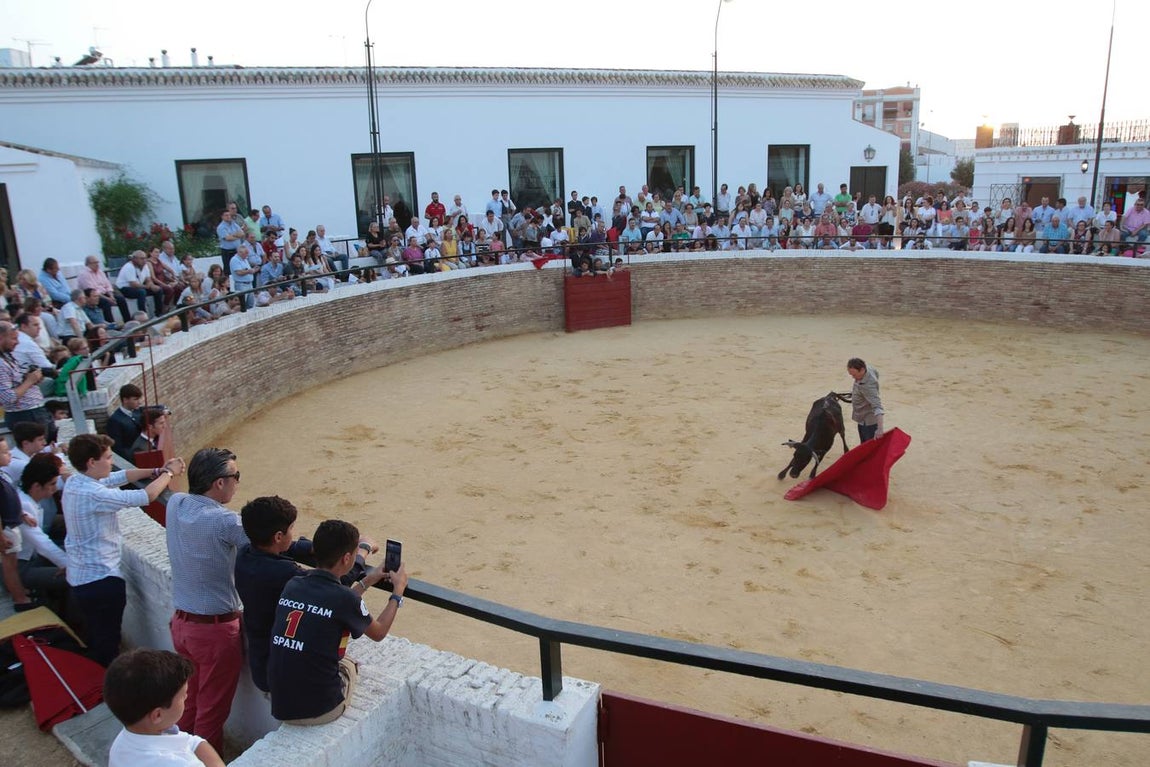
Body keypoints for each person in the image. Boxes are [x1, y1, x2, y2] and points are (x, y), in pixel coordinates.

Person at [268, 519, 407, 725]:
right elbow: (378, 633)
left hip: (280, 704)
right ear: (347, 558)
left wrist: (368, 580)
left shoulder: (294, 584)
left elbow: (337, 603)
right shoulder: (343, 599)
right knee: (349, 663)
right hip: (319, 710)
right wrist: (397, 592)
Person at [63, 434, 185, 666]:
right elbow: (147, 496)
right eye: (108, 457)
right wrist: (169, 473)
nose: (111, 461)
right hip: (100, 581)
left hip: (81, 578)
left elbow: (119, 476)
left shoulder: (76, 482)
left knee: (99, 636)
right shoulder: (93, 493)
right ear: (91, 462)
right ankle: (107, 686)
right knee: (107, 642)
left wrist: (156, 470)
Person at [104, 648, 225, 767]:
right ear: (157, 715)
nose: (187, 697)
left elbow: (193, 742)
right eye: (183, 696)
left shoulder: (123, 743)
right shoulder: (177, 763)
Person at [847, 357, 884, 443]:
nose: (853, 378)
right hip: (862, 419)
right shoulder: (868, 368)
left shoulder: (868, 386)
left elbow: (878, 408)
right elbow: (876, 373)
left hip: (869, 423)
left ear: (862, 370)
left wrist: (880, 429)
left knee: (869, 447)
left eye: (855, 375)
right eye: (851, 375)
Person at [106, 383, 144, 459]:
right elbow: (117, 448)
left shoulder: (137, 410)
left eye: (139, 399)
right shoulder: (115, 421)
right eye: (135, 399)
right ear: (125, 400)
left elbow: (155, 408)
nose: (139, 402)